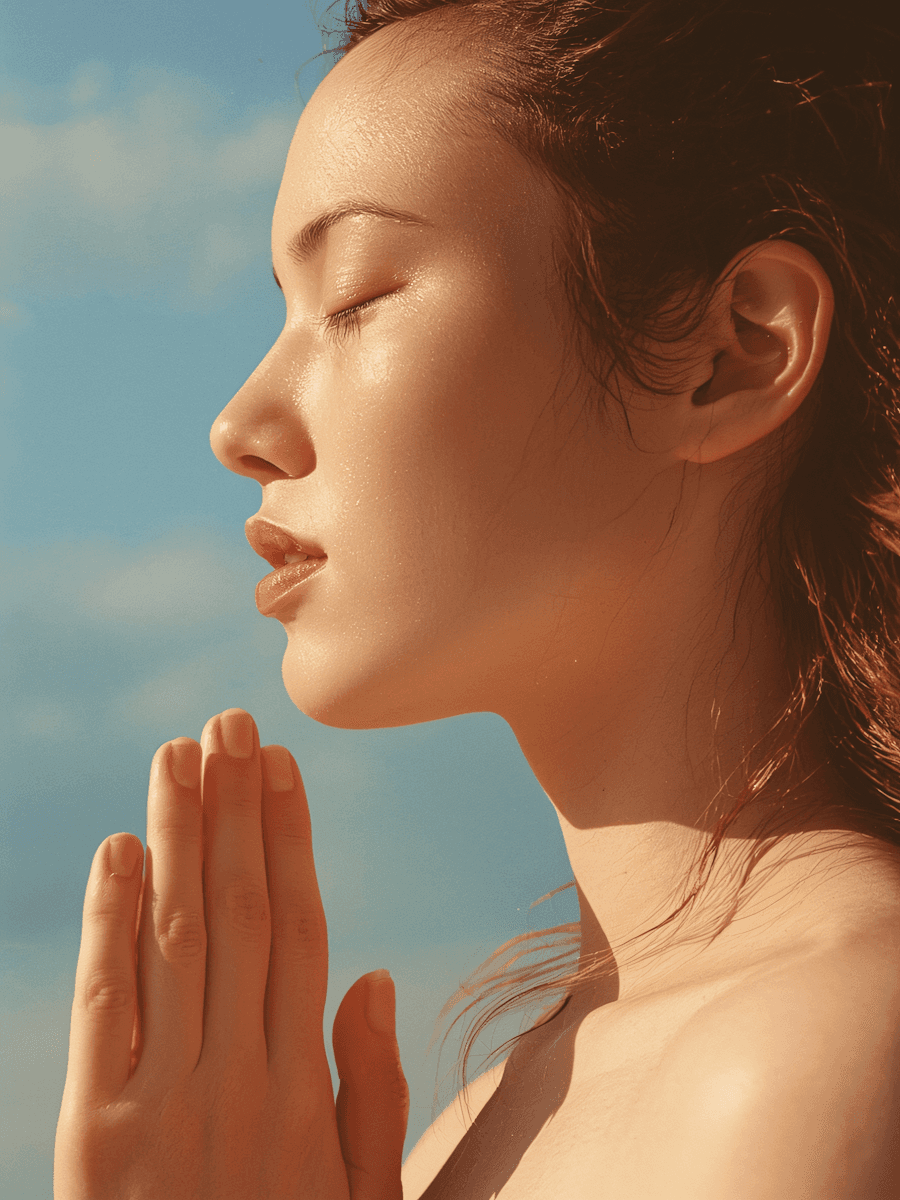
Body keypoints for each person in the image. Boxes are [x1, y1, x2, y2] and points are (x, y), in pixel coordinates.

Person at [54, 0, 900, 1196]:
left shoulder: (803, 1060)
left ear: (733, 354)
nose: (239, 426)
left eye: (355, 298)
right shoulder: (471, 1125)